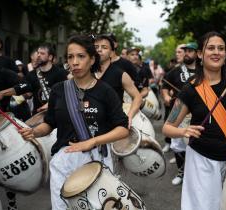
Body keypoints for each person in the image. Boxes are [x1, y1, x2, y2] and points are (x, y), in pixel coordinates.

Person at [19, 35, 129, 210]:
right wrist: (34, 132)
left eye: (81, 56)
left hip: (97, 159)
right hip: (64, 160)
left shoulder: (105, 91)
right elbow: (50, 123)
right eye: (70, 57)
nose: (75, 62)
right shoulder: (59, 90)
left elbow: (123, 129)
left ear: (92, 59)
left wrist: (93, 141)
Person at [162, 31, 226, 210]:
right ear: (200, 54)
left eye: (221, 48)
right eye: (211, 48)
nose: (217, 52)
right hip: (201, 159)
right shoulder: (190, 89)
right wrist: (183, 131)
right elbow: (167, 128)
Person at [162, 42, 198, 186]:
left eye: (190, 51)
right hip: (178, 113)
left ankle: (194, 174)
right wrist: (165, 96)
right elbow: (164, 86)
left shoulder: (203, 71)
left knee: (196, 146)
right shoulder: (175, 71)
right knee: (178, 146)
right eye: (185, 51)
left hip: (197, 114)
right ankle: (181, 172)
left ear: (198, 54)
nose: (186, 53)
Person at [94, 34, 142, 127]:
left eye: (104, 47)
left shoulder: (120, 74)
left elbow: (138, 97)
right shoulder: (86, 73)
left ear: (111, 51)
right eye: (96, 47)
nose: (99, 50)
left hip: (113, 125)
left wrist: (129, 116)